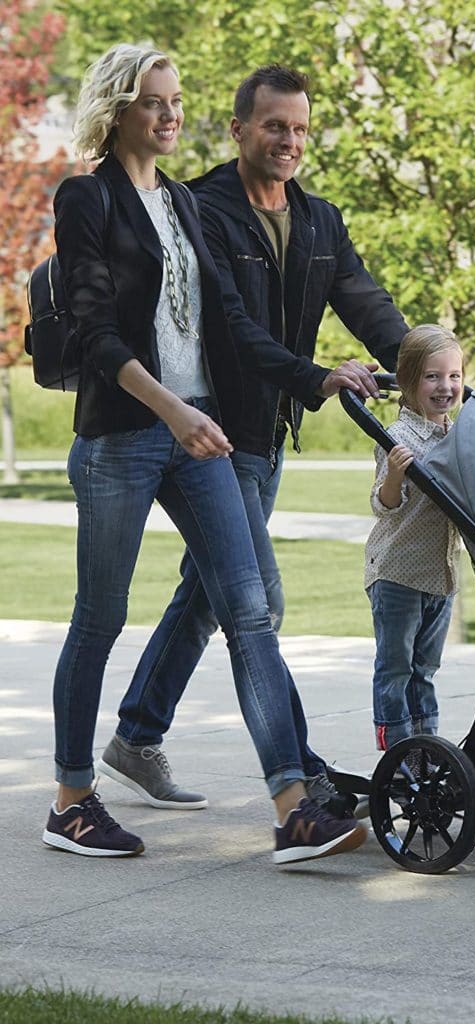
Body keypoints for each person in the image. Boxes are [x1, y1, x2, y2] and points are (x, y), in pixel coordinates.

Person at [43, 44, 364, 864]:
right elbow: (94, 329)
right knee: (100, 618)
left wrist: (314, 375)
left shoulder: (184, 203)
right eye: (155, 102)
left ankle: (294, 807)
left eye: (175, 100)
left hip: (199, 434)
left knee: (249, 610)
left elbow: (228, 321)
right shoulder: (87, 199)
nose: (170, 115)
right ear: (120, 110)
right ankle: (73, 799)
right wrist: (173, 409)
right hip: (124, 434)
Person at [98, 64, 409, 816]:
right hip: (211, 432)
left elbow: (363, 299)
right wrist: (316, 376)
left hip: (266, 436)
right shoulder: (200, 210)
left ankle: (136, 735)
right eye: (275, 126)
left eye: (300, 128)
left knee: (210, 592)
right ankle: (304, 778)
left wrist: (422, 361)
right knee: (255, 599)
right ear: (239, 129)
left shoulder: (318, 220)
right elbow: (231, 333)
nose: (289, 141)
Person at [364, 324, 463, 750]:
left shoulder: (459, 435)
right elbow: (384, 505)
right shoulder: (396, 439)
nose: (446, 387)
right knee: (396, 668)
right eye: (433, 377)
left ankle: (427, 750)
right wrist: (396, 475)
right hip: (398, 573)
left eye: (454, 376)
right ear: (407, 382)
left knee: (425, 668)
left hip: (441, 575)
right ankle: (397, 753)